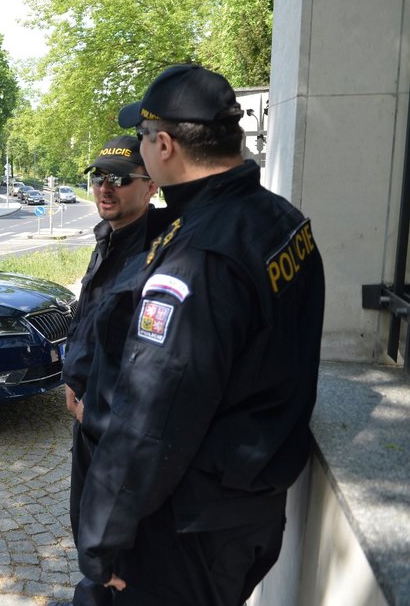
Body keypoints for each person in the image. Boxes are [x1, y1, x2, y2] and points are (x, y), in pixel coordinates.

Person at [71, 64, 325, 605]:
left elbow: (151, 418)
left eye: (140, 138)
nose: (137, 151)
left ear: (164, 145)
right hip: (249, 504)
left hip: (191, 528)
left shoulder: (195, 258)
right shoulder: (282, 220)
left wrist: (101, 542)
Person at [59, 136, 162, 604]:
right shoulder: (110, 238)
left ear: (151, 185)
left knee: (114, 555)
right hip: (88, 423)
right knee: (85, 529)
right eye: (98, 177)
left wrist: (94, 412)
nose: (105, 187)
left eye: (119, 179)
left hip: (113, 428)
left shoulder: (157, 251)